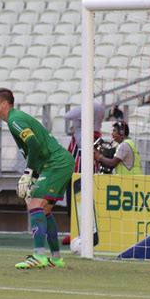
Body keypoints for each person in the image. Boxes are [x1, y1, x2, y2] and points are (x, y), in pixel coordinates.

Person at [0, 87, 75, 269]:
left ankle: (39, 256)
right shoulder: (15, 119)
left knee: (35, 204)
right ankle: (56, 258)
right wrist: (34, 175)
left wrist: (28, 173)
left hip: (55, 164)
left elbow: (34, 144)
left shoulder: (14, 120)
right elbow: (35, 147)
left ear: (4, 104)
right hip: (55, 164)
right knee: (44, 210)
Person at [62, 102, 104, 245]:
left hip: (79, 173)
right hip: (80, 171)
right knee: (77, 204)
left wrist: (79, 119)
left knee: (78, 203)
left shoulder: (84, 134)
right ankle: (76, 231)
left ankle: (80, 232)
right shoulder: (95, 133)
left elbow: (67, 115)